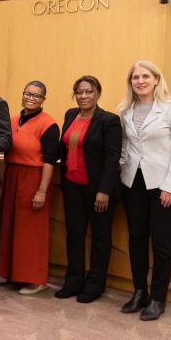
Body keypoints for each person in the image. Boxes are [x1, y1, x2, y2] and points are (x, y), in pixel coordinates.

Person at [56, 75, 121, 303]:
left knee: (100, 238)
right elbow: (63, 148)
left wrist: (104, 190)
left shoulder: (109, 120)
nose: (84, 96)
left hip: (98, 189)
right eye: (80, 92)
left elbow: (113, 158)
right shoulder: (70, 115)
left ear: (97, 94)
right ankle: (73, 281)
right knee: (74, 234)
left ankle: (95, 285)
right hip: (72, 186)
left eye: (89, 92)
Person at [118, 61, 171, 321]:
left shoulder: (169, 108)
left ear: (155, 79)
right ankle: (140, 291)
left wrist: (170, 186)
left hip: (162, 185)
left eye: (145, 76)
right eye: (135, 77)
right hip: (133, 183)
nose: (139, 81)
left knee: (162, 242)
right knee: (136, 238)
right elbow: (125, 148)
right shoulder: (125, 111)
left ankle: (158, 297)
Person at [0, 81, 59, 295]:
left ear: (43, 99)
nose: (31, 98)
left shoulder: (48, 124)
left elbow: (50, 161)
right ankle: (13, 273)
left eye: (37, 96)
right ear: (22, 96)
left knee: (30, 231)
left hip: (34, 178)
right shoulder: (11, 120)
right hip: (12, 174)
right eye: (28, 94)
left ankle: (35, 279)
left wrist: (41, 191)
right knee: (10, 226)